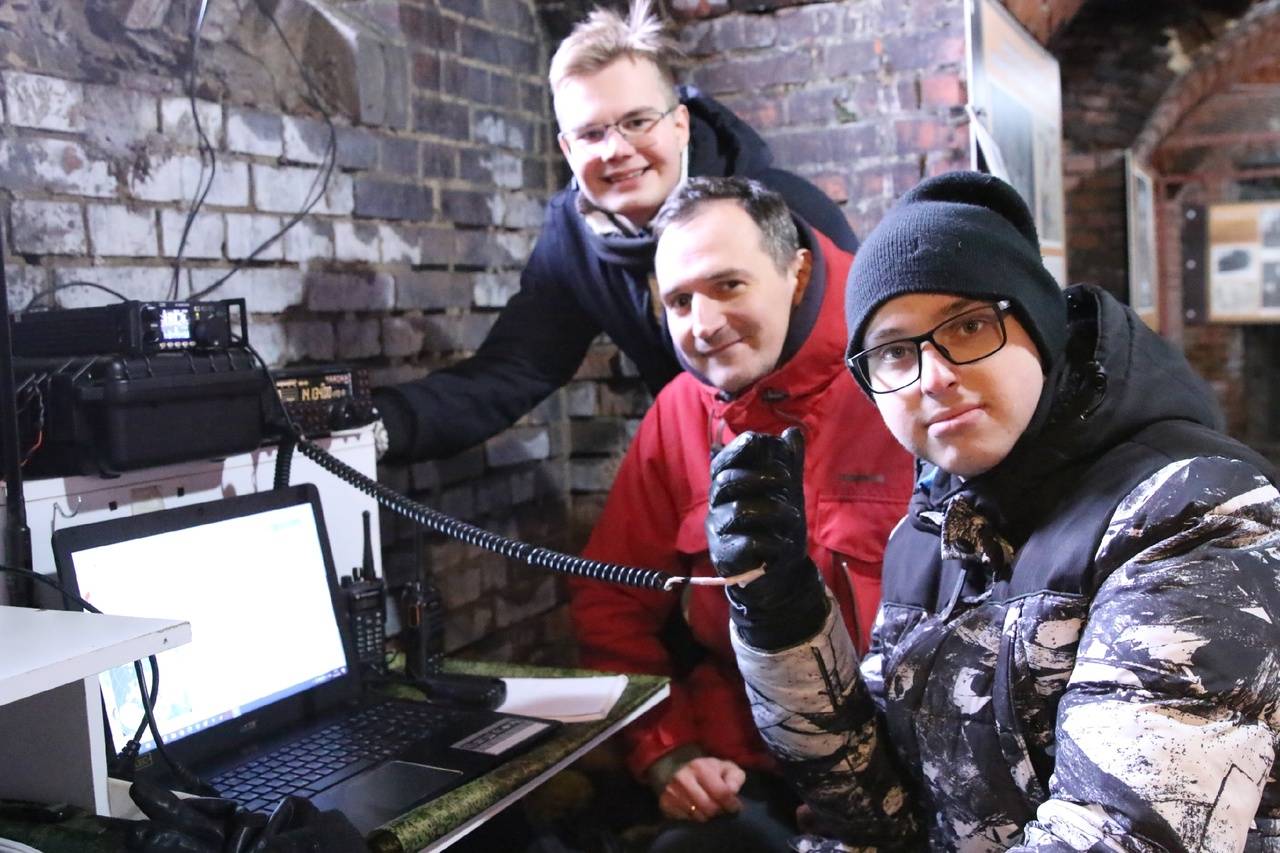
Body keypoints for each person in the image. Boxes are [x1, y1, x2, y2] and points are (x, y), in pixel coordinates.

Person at [705, 171, 1280, 850]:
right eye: (894, 351)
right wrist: (783, 620)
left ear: (1039, 325)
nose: (934, 376)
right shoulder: (929, 531)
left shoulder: (1194, 512)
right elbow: (873, 808)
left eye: (970, 325)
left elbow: (1121, 836)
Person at [568, 177, 912, 851]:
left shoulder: (901, 381)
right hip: (749, 770)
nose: (703, 324)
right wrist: (668, 752)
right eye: (679, 300)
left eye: (728, 285)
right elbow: (612, 604)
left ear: (796, 272)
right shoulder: (679, 411)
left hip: (908, 775)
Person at [372, 0, 857, 463]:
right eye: (591, 134)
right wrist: (376, 425)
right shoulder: (573, 238)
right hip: (699, 465)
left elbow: (864, 351)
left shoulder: (788, 211)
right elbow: (515, 370)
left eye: (637, 122)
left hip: (833, 450)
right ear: (567, 150)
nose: (615, 150)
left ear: (680, 125)